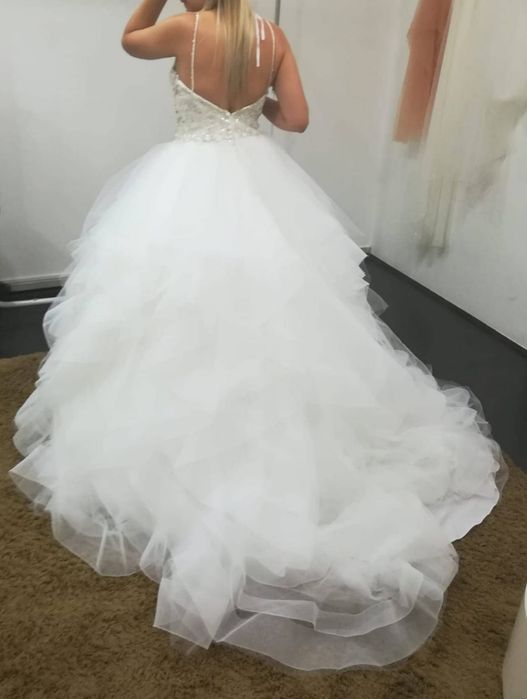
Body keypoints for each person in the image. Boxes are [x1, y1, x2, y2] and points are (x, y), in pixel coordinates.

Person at [9, 0, 508, 673]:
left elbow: (130, 40)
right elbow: (295, 118)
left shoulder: (183, 28)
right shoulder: (270, 35)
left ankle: (177, 427)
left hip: (186, 183)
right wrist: (252, 111)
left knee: (175, 305)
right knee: (276, 310)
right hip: (257, 178)